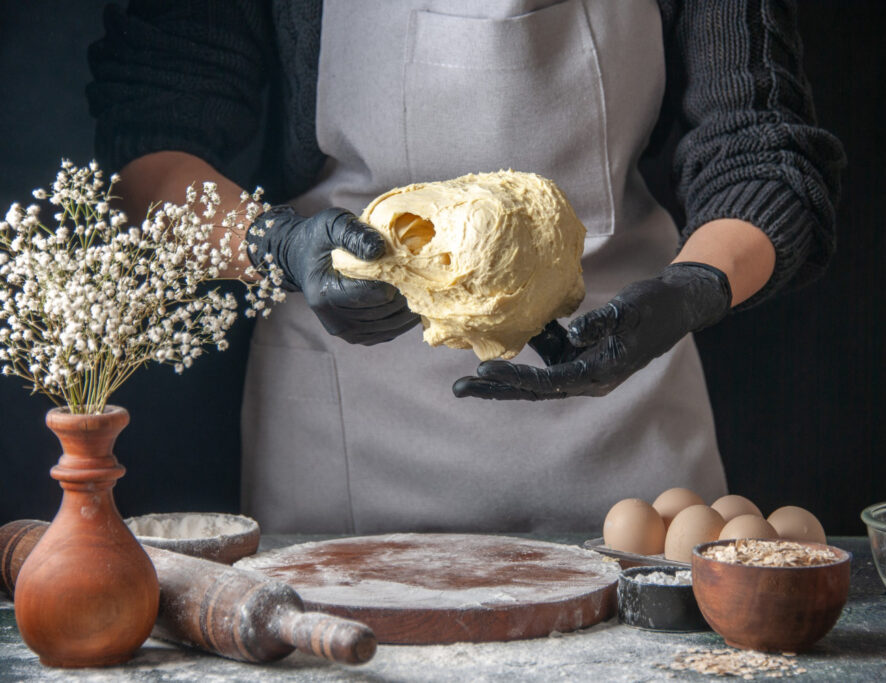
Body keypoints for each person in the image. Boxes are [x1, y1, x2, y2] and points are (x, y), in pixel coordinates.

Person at [86, 0, 844, 534]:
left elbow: (762, 144)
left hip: (627, 399)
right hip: (354, 423)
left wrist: (691, 291)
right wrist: (276, 244)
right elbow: (151, 136)